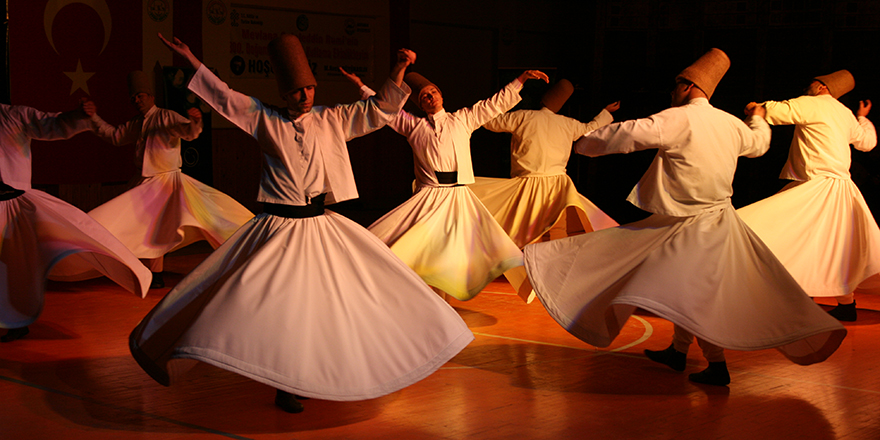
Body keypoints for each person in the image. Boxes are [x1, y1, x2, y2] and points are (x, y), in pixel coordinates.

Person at [129, 33, 474, 414]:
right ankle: (280, 380)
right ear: (284, 92)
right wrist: (191, 59)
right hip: (279, 226)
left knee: (340, 295)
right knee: (267, 302)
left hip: (318, 225)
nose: (305, 96)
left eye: (309, 88)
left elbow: (379, 109)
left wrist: (399, 68)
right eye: (296, 91)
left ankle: (320, 371)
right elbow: (224, 97)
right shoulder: (264, 119)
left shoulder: (331, 118)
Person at [523, 48, 846, 386]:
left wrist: (584, 143)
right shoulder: (729, 123)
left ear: (688, 86)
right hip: (716, 222)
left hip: (693, 226)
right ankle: (678, 351)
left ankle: (717, 365)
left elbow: (627, 134)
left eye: (676, 86)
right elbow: (759, 144)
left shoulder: (677, 119)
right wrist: (757, 117)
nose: (672, 93)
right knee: (684, 286)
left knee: (689, 291)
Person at [363, 67, 549, 301]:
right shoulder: (413, 126)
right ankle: (418, 294)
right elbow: (387, 111)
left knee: (479, 245)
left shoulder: (462, 118)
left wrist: (521, 80)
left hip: (458, 196)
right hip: (430, 195)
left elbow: (493, 105)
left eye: (433, 92)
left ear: (441, 95)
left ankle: (445, 298)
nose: (430, 97)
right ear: (421, 105)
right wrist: (362, 87)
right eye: (424, 97)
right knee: (407, 242)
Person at [85, 71, 254, 289]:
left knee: (204, 221)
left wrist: (195, 122)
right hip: (144, 184)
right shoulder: (137, 123)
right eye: (133, 98)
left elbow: (188, 132)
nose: (137, 100)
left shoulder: (166, 117)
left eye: (141, 96)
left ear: (151, 96)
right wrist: (93, 118)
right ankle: (150, 273)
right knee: (139, 228)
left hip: (167, 182)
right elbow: (115, 135)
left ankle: (246, 254)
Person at [1, 100, 151, 342]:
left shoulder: (14, 115)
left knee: (17, 263)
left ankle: (17, 319)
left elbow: (51, 124)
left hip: (15, 201)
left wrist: (76, 116)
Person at [738, 70, 877, 321]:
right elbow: (867, 142)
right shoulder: (844, 113)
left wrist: (755, 108)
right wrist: (862, 118)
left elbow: (778, 111)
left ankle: (796, 298)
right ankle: (844, 304)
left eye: (813, 83)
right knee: (832, 246)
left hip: (818, 186)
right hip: (842, 190)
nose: (808, 86)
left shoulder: (813, 103)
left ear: (823, 87)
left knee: (764, 227)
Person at [469, 80, 621, 302]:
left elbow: (489, 121)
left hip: (532, 186)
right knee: (553, 232)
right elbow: (590, 128)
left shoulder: (524, 117)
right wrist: (606, 113)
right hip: (557, 186)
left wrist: (489, 105)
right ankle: (552, 279)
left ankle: (538, 278)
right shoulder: (567, 123)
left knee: (525, 230)